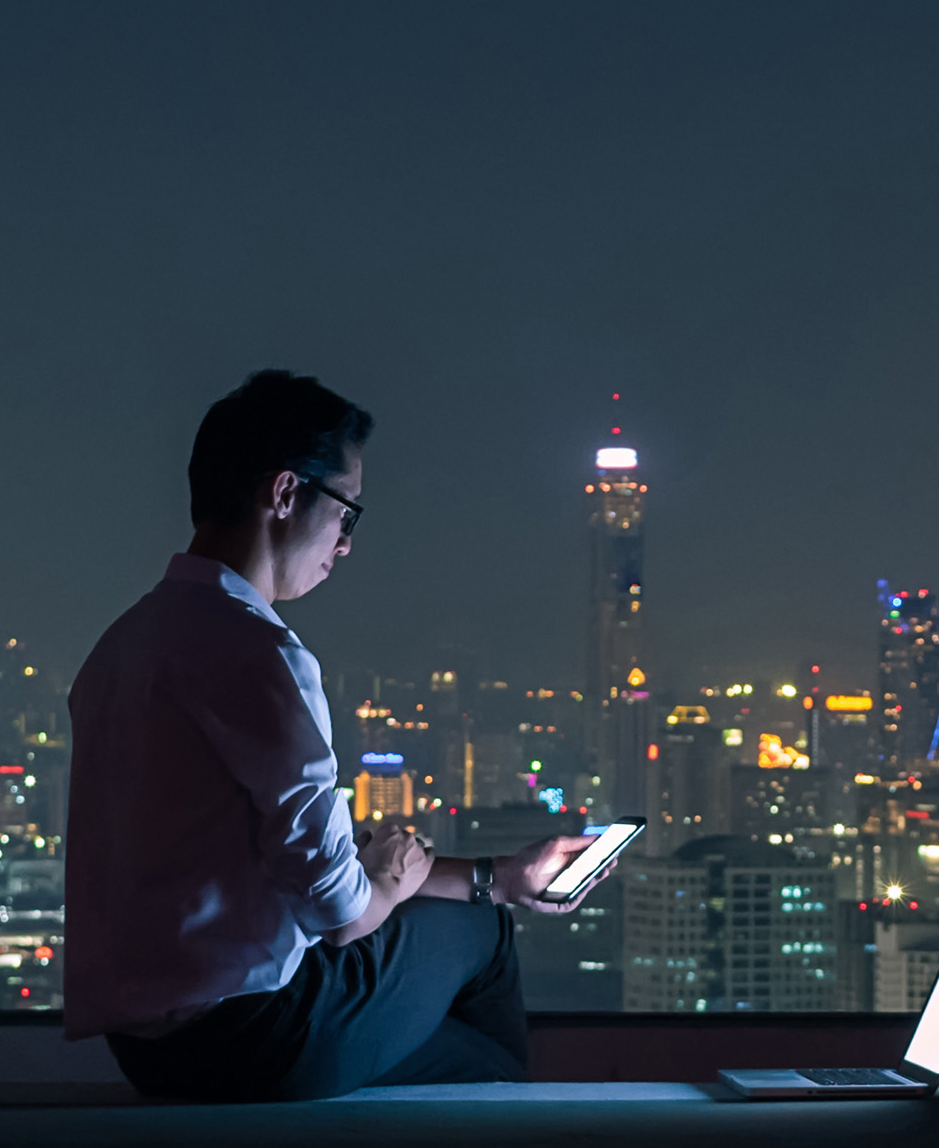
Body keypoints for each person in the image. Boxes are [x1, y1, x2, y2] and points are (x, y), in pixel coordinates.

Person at [63, 369, 596, 1101]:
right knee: (483, 935)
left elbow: (275, 869)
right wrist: (382, 877)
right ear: (285, 494)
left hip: (149, 1049)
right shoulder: (260, 654)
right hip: (254, 1033)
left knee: (464, 1055)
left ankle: (485, 1093)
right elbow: (341, 913)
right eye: (348, 513)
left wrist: (495, 875)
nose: (345, 546)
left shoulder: (122, 647)